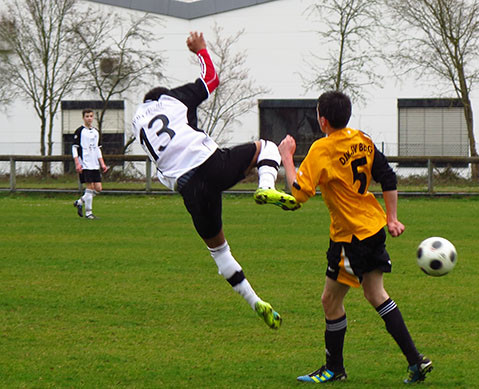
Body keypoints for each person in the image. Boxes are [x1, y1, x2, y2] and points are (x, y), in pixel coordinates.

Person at [131, 31, 300, 330]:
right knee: (267, 148)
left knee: (220, 252)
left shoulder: (139, 123)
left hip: (188, 189)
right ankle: (265, 186)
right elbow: (211, 79)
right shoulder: (171, 100)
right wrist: (201, 50)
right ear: (163, 95)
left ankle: (255, 301)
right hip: (208, 163)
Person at [278, 90, 432, 383]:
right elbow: (387, 175)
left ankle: (334, 369)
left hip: (349, 237)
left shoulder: (322, 150)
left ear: (322, 120)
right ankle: (416, 361)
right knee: (376, 294)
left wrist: (287, 157)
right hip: (373, 229)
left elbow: (298, 194)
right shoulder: (362, 139)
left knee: (330, 301)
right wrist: (391, 218)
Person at [72, 109, 109, 220]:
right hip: (85, 164)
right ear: (83, 118)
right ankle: (89, 213)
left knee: (98, 188)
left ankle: (79, 202)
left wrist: (102, 163)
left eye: (91, 116)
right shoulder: (79, 131)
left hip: (94, 164)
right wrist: (77, 163)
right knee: (90, 187)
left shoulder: (96, 131)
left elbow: (98, 149)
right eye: (87, 116)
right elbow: (74, 148)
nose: (89, 118)